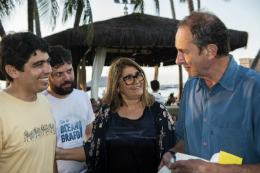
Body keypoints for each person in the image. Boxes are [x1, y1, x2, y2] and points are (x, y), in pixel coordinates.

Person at [158, 12, 260, 172]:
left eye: (184, 52)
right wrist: (173, 153)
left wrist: (211, 169)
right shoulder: (190, 87)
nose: (178, 60)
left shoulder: (255, 90)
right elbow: (185, 140)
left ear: (210, 51)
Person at [55, 58, 176, 173]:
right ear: (117, 86)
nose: (137, 81)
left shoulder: (158, 111)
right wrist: (59, 153)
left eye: (139, 75)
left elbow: (171, 150)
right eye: (129, 78)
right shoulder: (106, 113)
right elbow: (92, 150)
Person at [0, 32, 56, 172]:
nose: (48, 70)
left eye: (48, 62)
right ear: (12, 71)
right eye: (38, 64)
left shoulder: (44, 101)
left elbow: (49, 156)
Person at [42, 46, 95, 173]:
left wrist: (88, 159)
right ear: (48, 76)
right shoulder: (40, 102)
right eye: (59, 74)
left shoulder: (82, 96)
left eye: (69, 71)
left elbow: (88, 133)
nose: (67, 78)